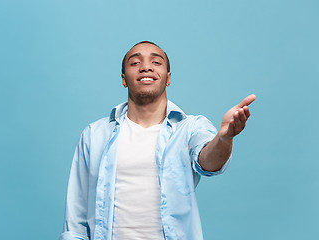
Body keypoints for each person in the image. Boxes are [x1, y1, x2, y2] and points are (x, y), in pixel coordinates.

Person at [59, 41, 256, 240]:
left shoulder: (191, 128)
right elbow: (76, 216)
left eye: (156, 62)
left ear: (168, 78)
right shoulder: (94, 134)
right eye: (135, 63)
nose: (146, 66)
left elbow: (208, 161)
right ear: (124, 79)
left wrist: (224, 138)